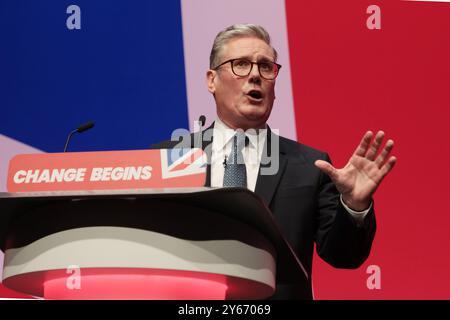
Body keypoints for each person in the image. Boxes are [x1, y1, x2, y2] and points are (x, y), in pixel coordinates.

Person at [153, 24, 396, 299]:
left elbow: (344, 256)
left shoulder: (310, 166)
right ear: (212, 80)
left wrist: (353, 206)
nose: (255, 75)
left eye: (266, 67)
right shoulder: (169, 159)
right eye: (241, 64)